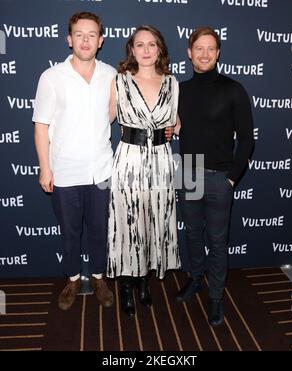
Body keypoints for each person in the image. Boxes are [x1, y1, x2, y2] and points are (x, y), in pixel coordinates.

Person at [33, 12, 116, 311]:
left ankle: (97, 277)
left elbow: (111, 113)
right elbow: (41, 125)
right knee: (70, 232)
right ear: (69, 39)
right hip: (65, 171)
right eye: (79, 34)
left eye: (91, 34)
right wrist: (45, 167)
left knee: (99, 230)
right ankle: (71, 278)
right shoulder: (52, 77)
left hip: (101, 170)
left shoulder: (111, 75)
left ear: (101, 40)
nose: (85, 40)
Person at [176, 27, 254, 326]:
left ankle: (216, 296)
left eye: (210, 48)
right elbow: (175, 126)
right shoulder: (179, 90)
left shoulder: (233, 89)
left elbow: (247, 140)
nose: (205, 54)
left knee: (218, 242)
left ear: (218, 53)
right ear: (189, 52)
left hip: (220, 175)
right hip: (189, 172)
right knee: (193, 234)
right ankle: (196, 279)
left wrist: (232, 178)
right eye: (199, 48)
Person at [107, 25, 181, 317]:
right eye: (140, 45)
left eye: (152, 44)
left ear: (160, 49)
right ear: (132, 50)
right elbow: (102, 119)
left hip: (161, 161)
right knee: (129, 223)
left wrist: (171, 130)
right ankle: (126, 285)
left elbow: (177, 122)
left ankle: (144, 281)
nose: (147, 50)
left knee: (153, 222)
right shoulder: (120, 81)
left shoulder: (172, 83)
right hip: (129, 160)